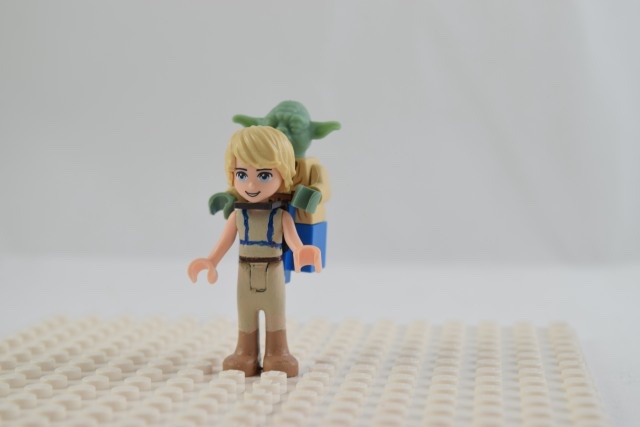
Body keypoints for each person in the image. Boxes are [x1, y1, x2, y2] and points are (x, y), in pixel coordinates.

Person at [188, 126, 322, 377]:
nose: (250, 184)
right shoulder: (238, 215)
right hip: (245, 271)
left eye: (263, 175)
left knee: (275, 314)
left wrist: (301, 251)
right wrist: (210, 261)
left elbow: (294, 241)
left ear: (283, 175)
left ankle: (278, 352)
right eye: (242, 174)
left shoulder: (281, 215)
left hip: (273, 270)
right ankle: (245, 352)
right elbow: (224, 242)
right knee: (246, 313)